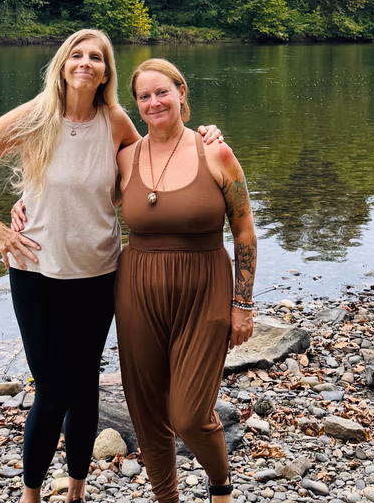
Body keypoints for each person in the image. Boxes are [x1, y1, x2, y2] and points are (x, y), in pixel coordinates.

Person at [0, 30, 220, 503]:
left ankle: (77, 489)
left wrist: (207, 137)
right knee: (51, 392)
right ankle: (30, 494)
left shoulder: (114, 121)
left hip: (100, 272)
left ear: (106, 73)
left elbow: (160, 152)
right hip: (37, 272)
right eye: (78, 54)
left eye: (97, 57)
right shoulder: (34, 117)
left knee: (86, 383)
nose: (86, 62)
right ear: (63, 64)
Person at [115, 58, 257, 503]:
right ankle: (166, 497)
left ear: (181, 93)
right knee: (145, 410)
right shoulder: (125, 158)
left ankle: (221, 489)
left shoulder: (215, 153)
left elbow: (245, 231)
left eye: (162, 92)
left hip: (205, 291)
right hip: (136, 291)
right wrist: (24, 202)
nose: (154, 102)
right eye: (144, 95)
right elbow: (71, 188)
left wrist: (243, 304)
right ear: (135, 104)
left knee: (190, 415)